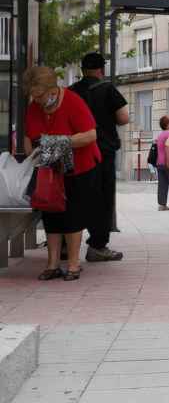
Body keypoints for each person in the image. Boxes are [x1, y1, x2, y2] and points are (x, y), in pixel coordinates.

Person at [24, 66, 101, 281]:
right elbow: (30, 137)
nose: (37, 100)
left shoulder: (73, 101)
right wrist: (34, 156)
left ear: (53, 89)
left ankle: (74, 264)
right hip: (49, 170)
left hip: (80, 166)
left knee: (72, 215)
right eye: (34, 96)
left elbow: (91, 135)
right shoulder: (34, 107)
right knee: (51, 214)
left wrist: (62, 141)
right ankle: (52, 264)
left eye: (40, 95)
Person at [69, 52, 128, 262]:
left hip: (76, 151)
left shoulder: (71, 92)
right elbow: (123, 118)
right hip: (102, 151)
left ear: (82, 69)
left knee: (75, 195)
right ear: (101, 70)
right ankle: (97, 245)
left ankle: (68, 245)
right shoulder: (107, 89)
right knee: (102, 197)